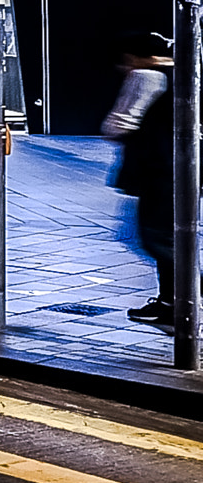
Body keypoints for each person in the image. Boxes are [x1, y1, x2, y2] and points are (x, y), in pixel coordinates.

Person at [105, 30, 175, 325]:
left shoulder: (147, 77)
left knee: (155, 237)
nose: (125, 66)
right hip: (172, 170)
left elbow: (119, 123)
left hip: (159, 170)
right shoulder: (180, 75)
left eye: (128, 59)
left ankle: (178, 301)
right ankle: (172, 301)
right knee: (161, 237)